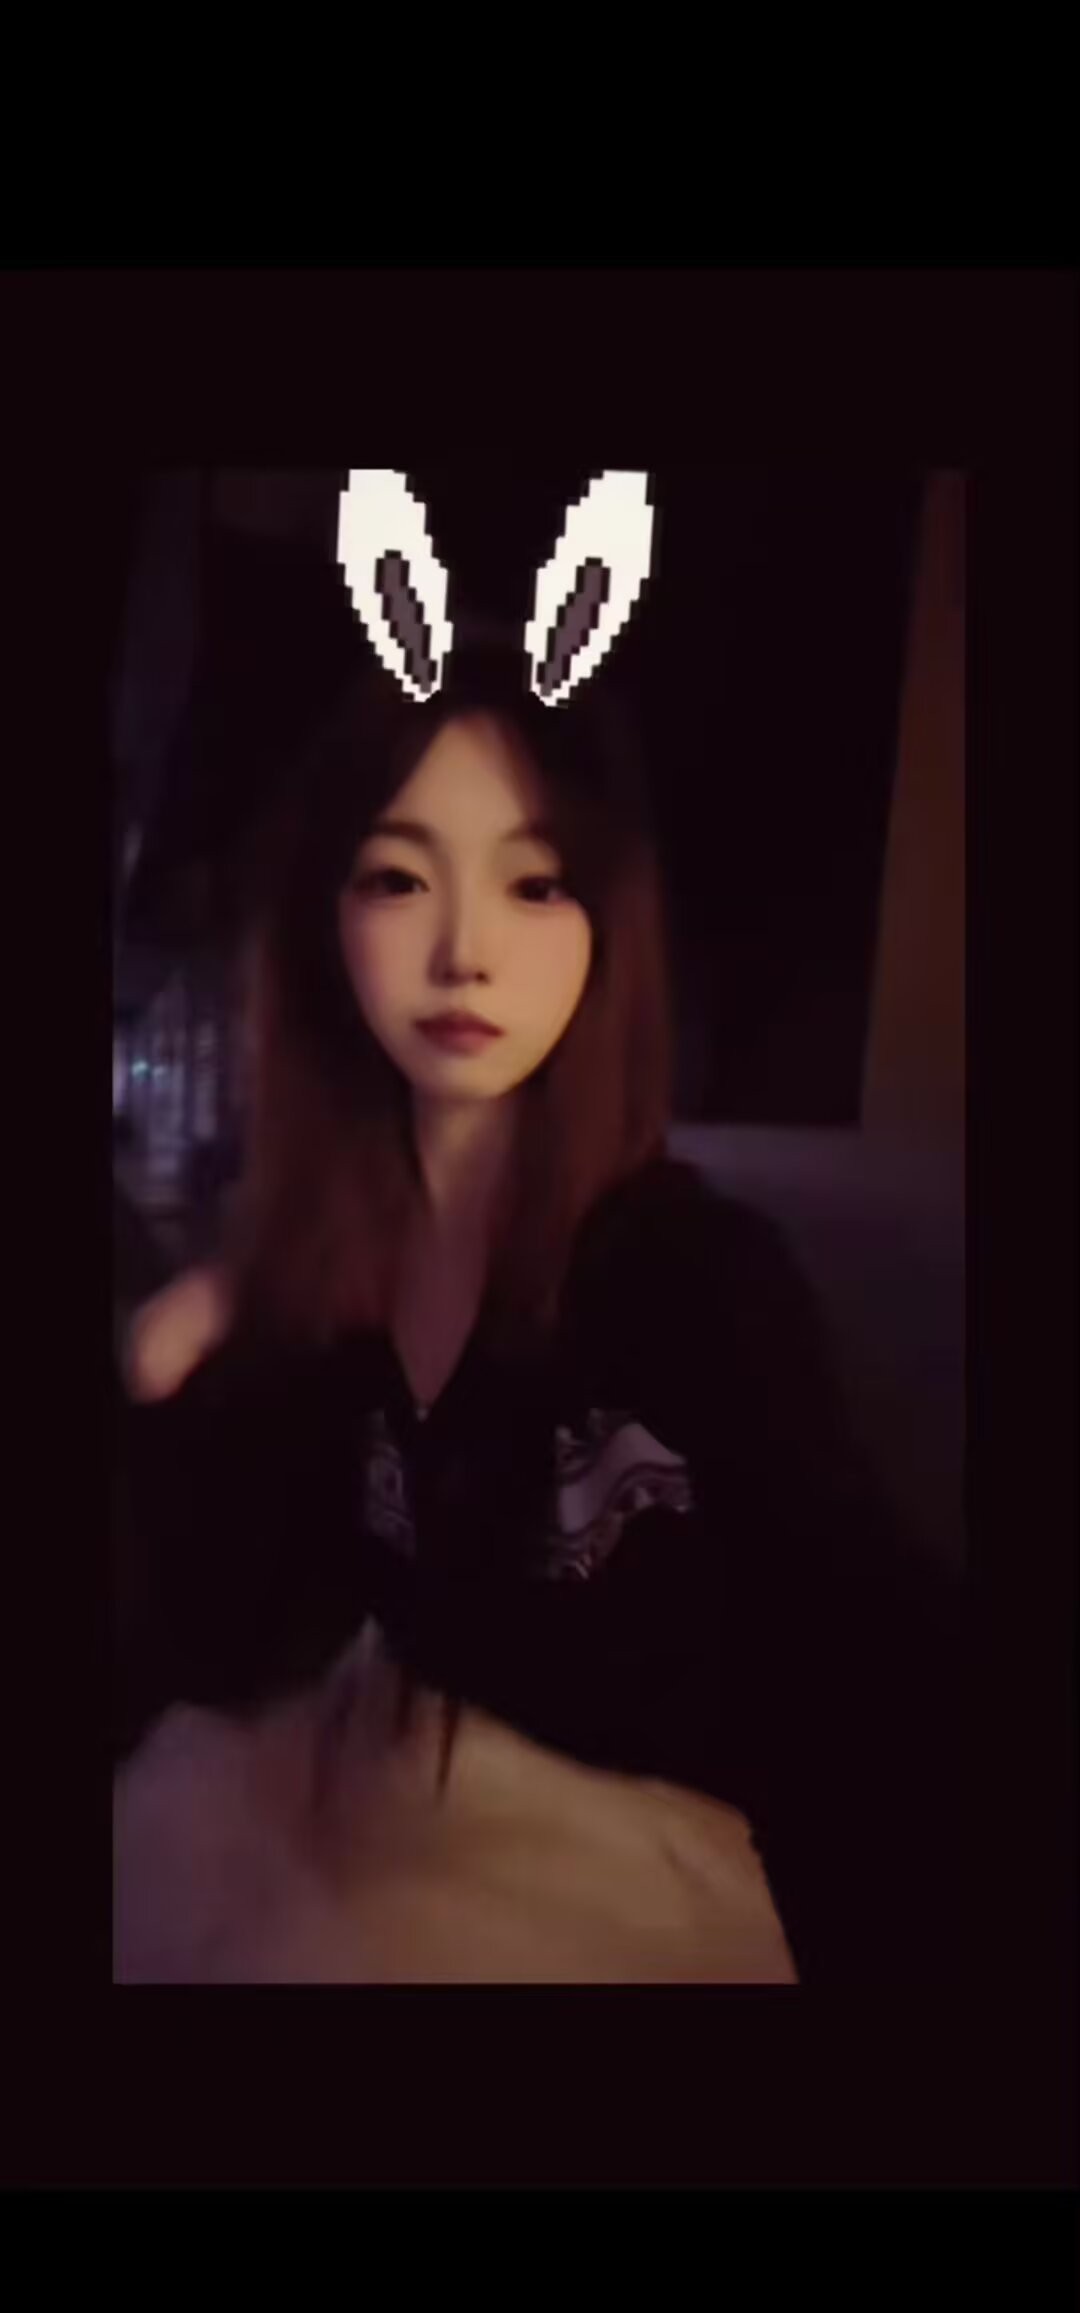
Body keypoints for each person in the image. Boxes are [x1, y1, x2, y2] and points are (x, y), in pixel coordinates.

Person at [115, 478, 973, 1987]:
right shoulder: (328, 1288)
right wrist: (198, 1361)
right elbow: (223, 1639)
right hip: (367, 1817)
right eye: (400, 877)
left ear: (604, 923)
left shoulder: (692, 1281)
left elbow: (880, 1676)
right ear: (327, 922)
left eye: (534, 882)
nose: (465, 949)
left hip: (648, 1881)